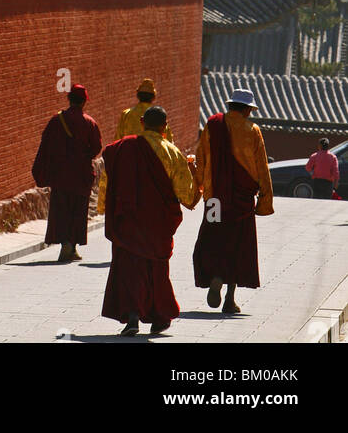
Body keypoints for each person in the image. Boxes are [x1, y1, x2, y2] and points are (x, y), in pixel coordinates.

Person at [98, 105, 200, 336]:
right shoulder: (172, 153)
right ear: (165, 127)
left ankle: (132, 315)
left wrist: (103, 206)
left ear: (142, 122)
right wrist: (194, 172)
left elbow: (108, 179)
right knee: (156, 271)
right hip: (158, 225)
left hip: (130, 223)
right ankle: (160, 317)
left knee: (130, 269)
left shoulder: (124, 147)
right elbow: (186, 196)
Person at [192, 87, 274, 315]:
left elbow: (201, 158)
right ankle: (229, 298)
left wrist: (196, 189)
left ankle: (215, 276)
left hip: (214, 201)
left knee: (211, 238)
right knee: (238, 245)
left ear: (229, 106)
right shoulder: (253, 130)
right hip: (242, 203)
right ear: (248, 110)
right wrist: (264, 200)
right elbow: (261, 168)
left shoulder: (212, 125)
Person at [32, 84, 102, 264]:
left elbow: (46, 144)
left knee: (61, 209)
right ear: (85, 102)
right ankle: (73, 244)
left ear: (69, 99)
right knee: (78, 210)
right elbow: (96, 148)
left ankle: (66, 244)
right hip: (81, 174)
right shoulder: (89, 122)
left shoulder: (57, 120)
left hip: (61, 174)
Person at [116, 78, 174, 143]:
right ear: (153, 97)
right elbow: (167, 140)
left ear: (138, 96)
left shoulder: (126, 114)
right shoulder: (158, 115)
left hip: (129, 151)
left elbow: (118, 138)